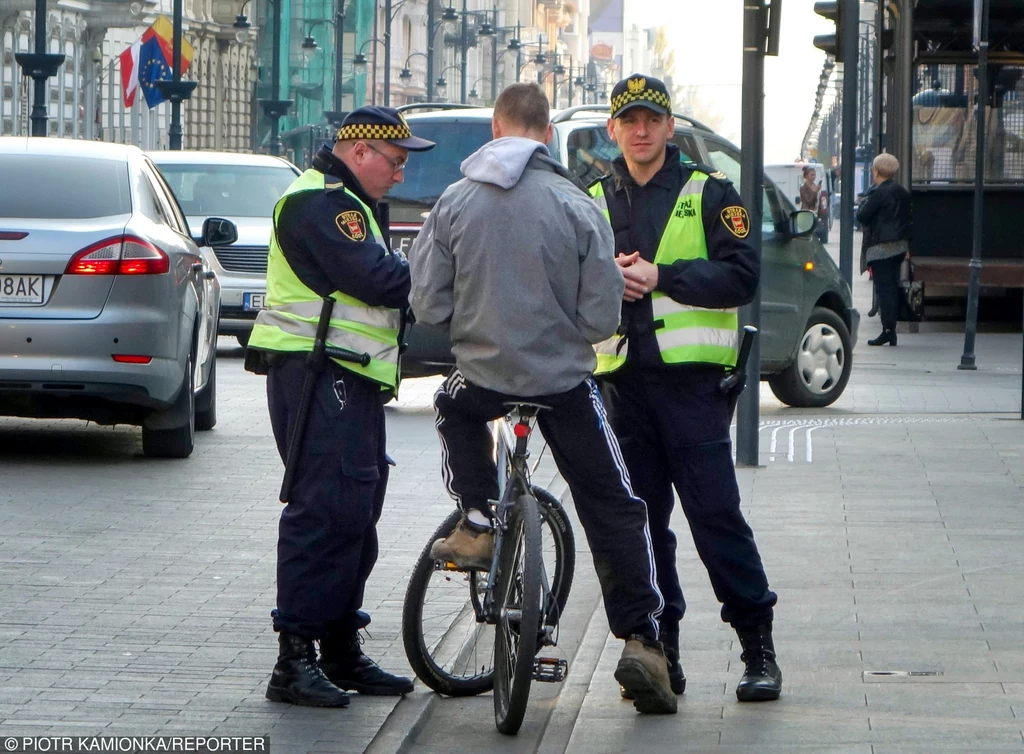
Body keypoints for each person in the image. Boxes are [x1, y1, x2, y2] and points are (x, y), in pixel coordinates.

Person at [409, 82, 677, 715]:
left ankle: (476, 520)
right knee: (614, 504)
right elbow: (600, 314)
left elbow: (427, 303)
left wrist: (474, 327)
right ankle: (643, 641)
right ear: (548, 135)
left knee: (452, 410)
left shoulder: (453, 202)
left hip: (483, 376)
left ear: (495, 132)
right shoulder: (577, 204)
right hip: (561, 384)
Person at [589, 74, 782, 703]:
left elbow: (742, 275)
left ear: (671, 127)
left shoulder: (711, 193)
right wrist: (605, 283)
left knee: (715, 516)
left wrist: (661, 275)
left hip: (693, 390)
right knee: (642, 527)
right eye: (629, 121)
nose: (640, 131)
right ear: (613, 130)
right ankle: (658, 653)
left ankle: (758, 647)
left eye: (651, 120)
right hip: (623, 387)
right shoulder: (591, 198)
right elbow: (569, 280)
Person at [247, 106, 435, 707]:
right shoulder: (321, 203)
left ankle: (339, 647)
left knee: (356, 506)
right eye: (396, 161)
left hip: (345, 375)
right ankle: (294, 659)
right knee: (324, 509)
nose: (401, 175)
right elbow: (377, 279)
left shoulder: (350, 204)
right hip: (315, 371)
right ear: (360, 153)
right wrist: (444, 272)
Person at [856, 153, 913, 346]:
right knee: (892, 285)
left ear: (876, 171)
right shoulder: (903, 192)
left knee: (884, 288)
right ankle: (891, 328)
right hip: (899, 247)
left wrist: (864, 201)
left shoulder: (878, 193)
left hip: (881, 248)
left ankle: (888, 330)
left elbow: (862, 216)